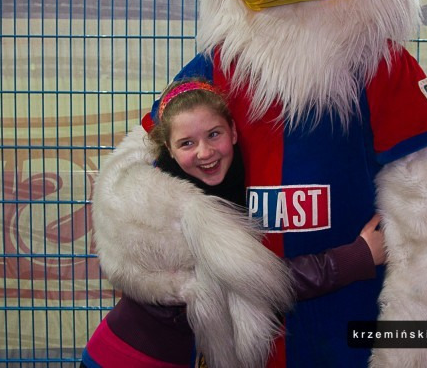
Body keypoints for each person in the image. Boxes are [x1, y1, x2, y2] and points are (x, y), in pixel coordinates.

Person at [82, 80, 386, 368]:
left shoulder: (224, 182)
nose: (205, 152)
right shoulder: (167, 206)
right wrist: (356, 257)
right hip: (125, 359)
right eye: (187, 143)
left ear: (234, 133)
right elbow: (260, 280)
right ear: (169, 149)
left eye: (214, 134)